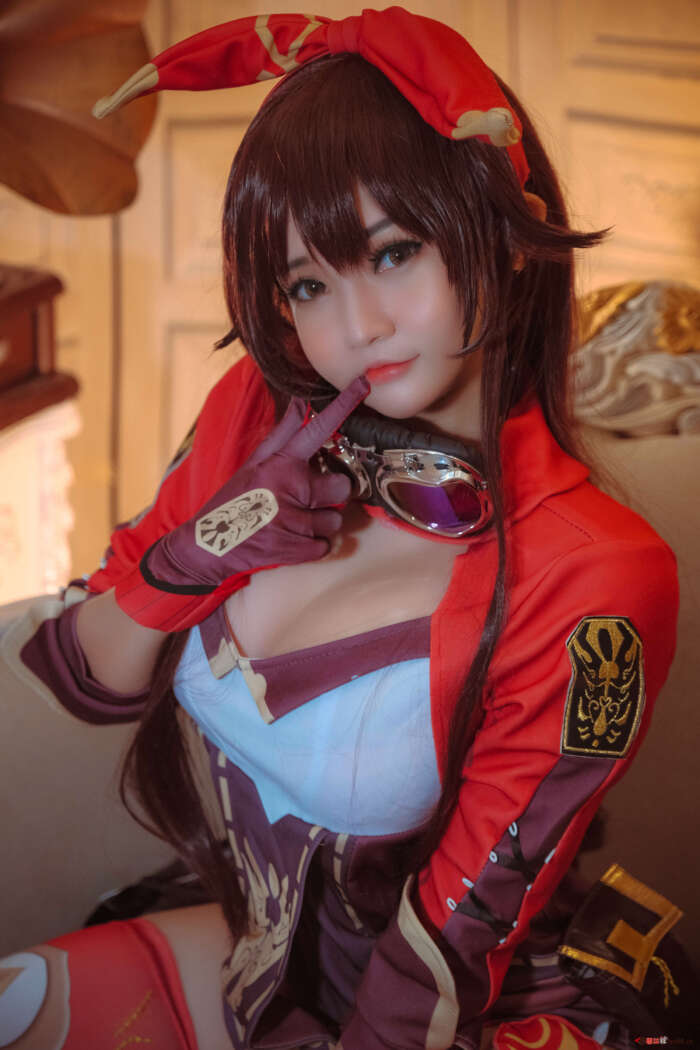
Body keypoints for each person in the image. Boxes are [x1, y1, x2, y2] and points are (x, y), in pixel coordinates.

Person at [0, 8, 687, 1050]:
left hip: (458, 1010)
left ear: (505, 237)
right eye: (309, 283)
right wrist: (200, 551)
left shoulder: (598, 574)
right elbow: (83, 673)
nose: (355, 326)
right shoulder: (253, 412)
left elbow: (457, 936)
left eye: (394, 252)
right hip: (256, 955)